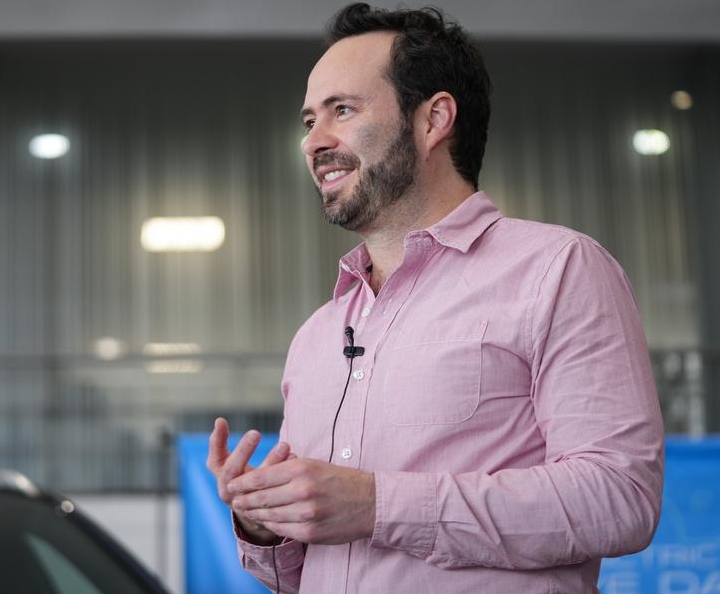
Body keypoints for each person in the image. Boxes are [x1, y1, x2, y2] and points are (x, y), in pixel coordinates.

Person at [206, 3, 664, 593]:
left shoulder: (557, 269)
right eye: (307, 121)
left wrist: (378, 505)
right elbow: (304, 572)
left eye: (341, 110)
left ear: (433, 120)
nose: (314, 142)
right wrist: (265, 521)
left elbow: (618, 499)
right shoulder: (317, 335)